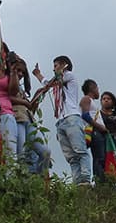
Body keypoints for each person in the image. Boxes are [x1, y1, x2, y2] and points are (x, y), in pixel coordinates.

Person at [33, 56, 91, 185]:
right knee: (71, 157)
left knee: (80, 150)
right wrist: (38, 75)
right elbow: (48, 84)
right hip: (61, 121)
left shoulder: (69, 75)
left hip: (71, 117)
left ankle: (86, 178)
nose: (54, 69)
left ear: (64, 65)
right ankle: (77, 182)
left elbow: (50, 83)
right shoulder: (57, 82)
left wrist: (41, 77)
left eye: (56, 66)